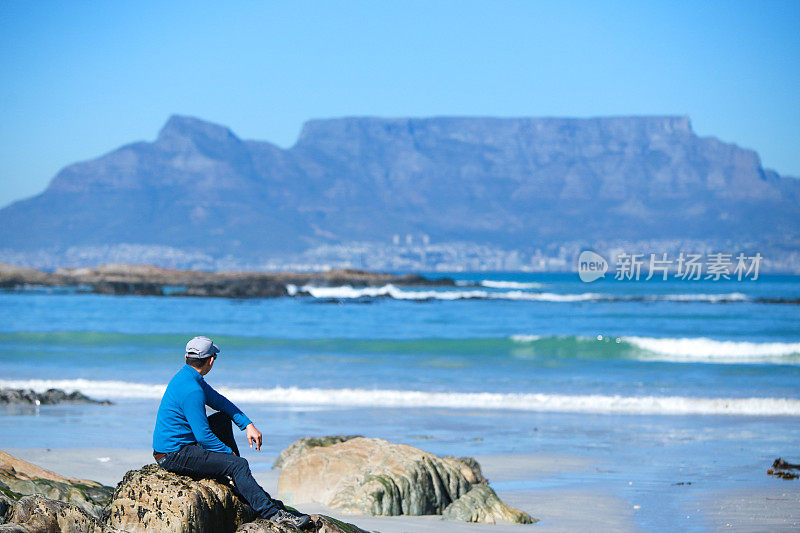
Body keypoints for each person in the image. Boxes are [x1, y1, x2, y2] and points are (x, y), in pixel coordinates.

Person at [152, 336, 312, 530]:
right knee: (238, 465)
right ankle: (273, 514)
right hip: (173, 455)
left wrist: (247, 424)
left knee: (221, 419)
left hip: (181, 445)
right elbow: (203, 436)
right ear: (210, 360)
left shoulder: (188, 377)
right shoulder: (192, 390)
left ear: (187, 357)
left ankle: (238, 479)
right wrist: (230, 455)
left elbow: (220, 402)